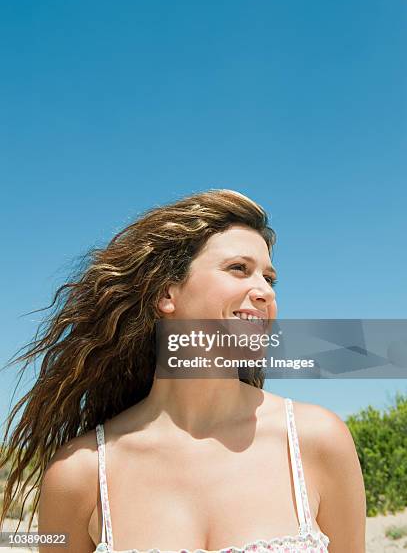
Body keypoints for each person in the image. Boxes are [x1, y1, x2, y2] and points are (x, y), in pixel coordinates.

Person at [0, 189, 366, 553]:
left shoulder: (315, 441)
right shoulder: (80, 473)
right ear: (167, 294)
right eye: (239, 269)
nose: (264, 292)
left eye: (269, 279)